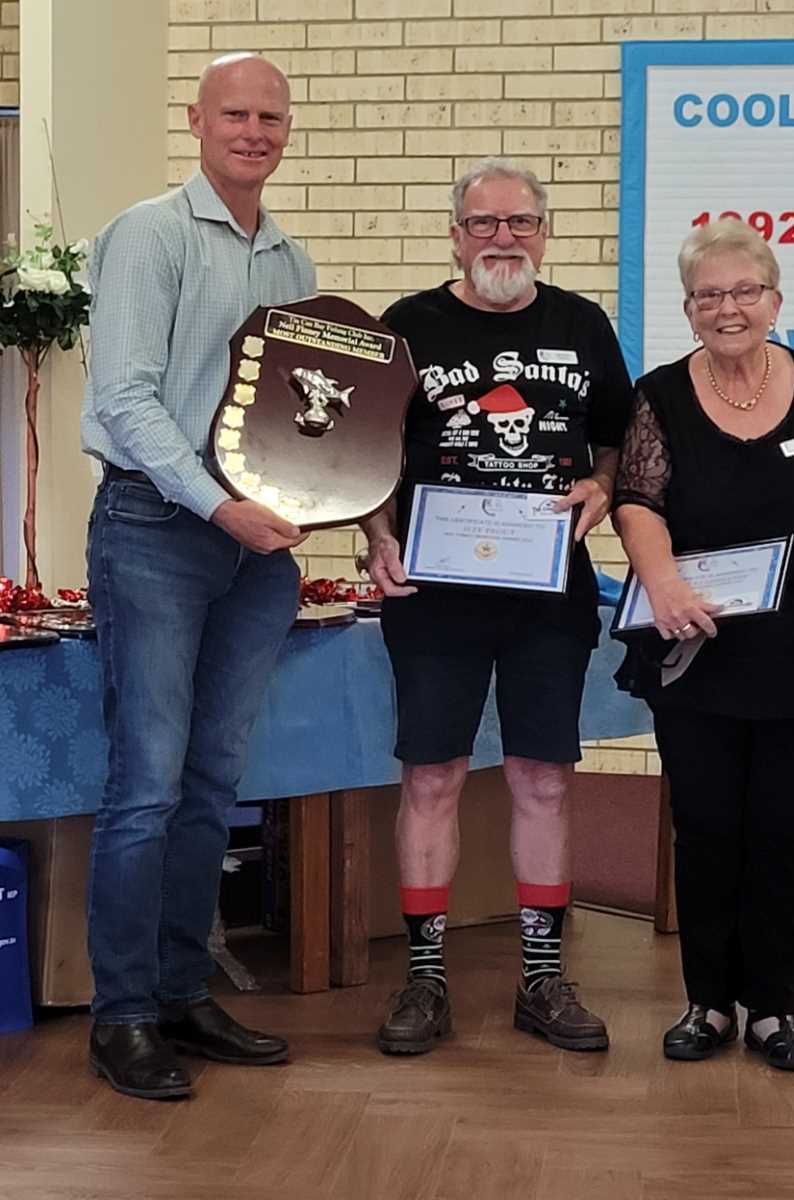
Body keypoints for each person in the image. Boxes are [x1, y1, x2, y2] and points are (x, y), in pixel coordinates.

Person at [81, 53, 316, 1100]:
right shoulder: (149, 235)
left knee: (212, 784)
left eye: (270, 114)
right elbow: (128, 401)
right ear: (197, 120)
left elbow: (310, 415)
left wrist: (311, 499)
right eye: (236, 112)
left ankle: (182, 990)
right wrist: (219, 504)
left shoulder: (292, 263)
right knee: (145, 787)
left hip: (256, 546)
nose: (253, 129)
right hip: (155, 530)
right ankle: (122, 1013)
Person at [362, 159, 633, 1056]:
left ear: (545, 231)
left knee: (543, 779)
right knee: (431, 778)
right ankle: (425, 978)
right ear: (455, 233)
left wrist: (600, 485)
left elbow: (620, 439)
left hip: (548, 591)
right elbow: (366, 453)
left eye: (520, 222)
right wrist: (377, 536)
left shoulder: (581, 323)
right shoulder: (409, 326)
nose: (502, 238)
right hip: (433, 592)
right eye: (483, 224)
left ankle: (543, 977)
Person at [612, 218, 794, 1071]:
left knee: (787, 828)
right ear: (689, 310)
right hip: (695, 641)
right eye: (709, 295)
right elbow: (637, 499)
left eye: (744, 291)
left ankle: (774, 1006)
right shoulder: (660, 393)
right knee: (705, 828)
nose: (728, 308)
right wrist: (659, 582)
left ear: (774, 300)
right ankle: (708, 1001)